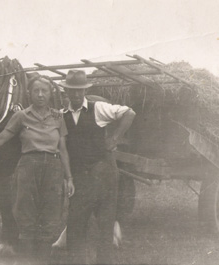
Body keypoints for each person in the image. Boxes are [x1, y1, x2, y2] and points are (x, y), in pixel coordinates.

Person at [0, 75, 75, 265]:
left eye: (44, 91)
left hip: (53, 169)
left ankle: (42, 260)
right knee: (26, 215)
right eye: (36, 91)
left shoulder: (58, 116)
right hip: (28, 167)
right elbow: (0, 139)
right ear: (29, 93)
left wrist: (69, 178)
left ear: (50, 94)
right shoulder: (21, 116)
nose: (40, 95)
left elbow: (63, 149)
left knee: (50, 215)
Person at [60, 70, 136, 264]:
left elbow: (129, 113)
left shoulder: (98, 108)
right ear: (66, 91)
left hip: (104, 175)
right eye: (72, 91)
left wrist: (114, 138)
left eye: (80, 91)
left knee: (105, 227)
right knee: (76, 225)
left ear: (85, 90)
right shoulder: (62, 116)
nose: (76, 95)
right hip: (80, 178)